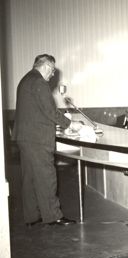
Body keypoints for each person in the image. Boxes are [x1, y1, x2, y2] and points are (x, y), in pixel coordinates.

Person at [13, 54, 83, 226]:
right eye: (52, 71)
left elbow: (35, 112)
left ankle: (32, 217)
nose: (52, 75)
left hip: (25, 137)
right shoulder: (39, 82)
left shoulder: (25, 80)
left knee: (29, 179)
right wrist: (70, 124)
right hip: (38, 139)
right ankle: (53, 216)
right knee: (47, 176)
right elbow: (50, 110)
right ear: (45, 67)